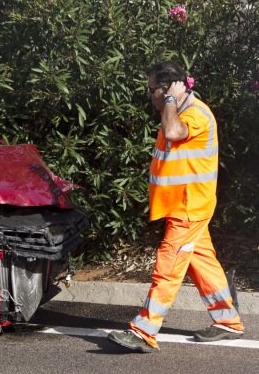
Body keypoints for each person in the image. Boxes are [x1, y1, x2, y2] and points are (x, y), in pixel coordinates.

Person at [107, 61, 245, 353]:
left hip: (189, 207)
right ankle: (228, 320)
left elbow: (172, 132)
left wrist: (170, 100)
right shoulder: (180, 111)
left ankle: (143, 330)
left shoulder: (194, 114)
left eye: (152, 90)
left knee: (168, 268)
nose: (149, 96)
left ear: (168, 89)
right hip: (185, 206)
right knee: (202, 261)